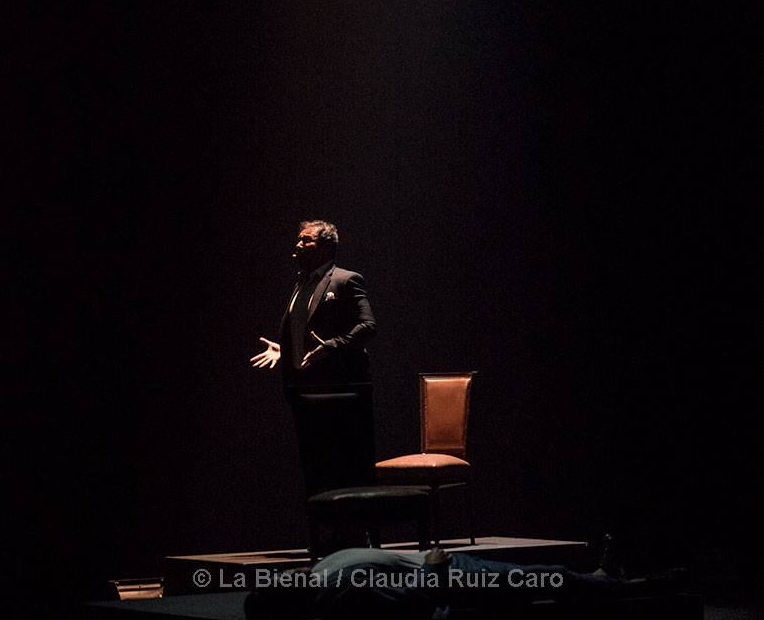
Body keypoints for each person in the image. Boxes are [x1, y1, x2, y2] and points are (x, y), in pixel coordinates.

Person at [250, 221, 377, 496]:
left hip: (341, 391)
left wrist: (332, 346)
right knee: (315, 469)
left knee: (347, 468)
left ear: (327, 247)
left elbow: (368, 325)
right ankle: (323, 521)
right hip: (305, 390)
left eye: (307, 240)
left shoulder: (346, 280)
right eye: (298, 239)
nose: (298, 245)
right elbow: (302, 329)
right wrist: (286, 349)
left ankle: (355, 520)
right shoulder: (301, 285)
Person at [244, 544, 693, 618]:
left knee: (546, 578)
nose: (282, 574)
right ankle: (635, 587)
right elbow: (413, 600)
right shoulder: (339, 594)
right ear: (289, 597)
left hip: (452, 566)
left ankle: (599, 579)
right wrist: (434, 566)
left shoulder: (319, 574)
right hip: (456, 578)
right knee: (548, 579)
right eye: (279, 582)